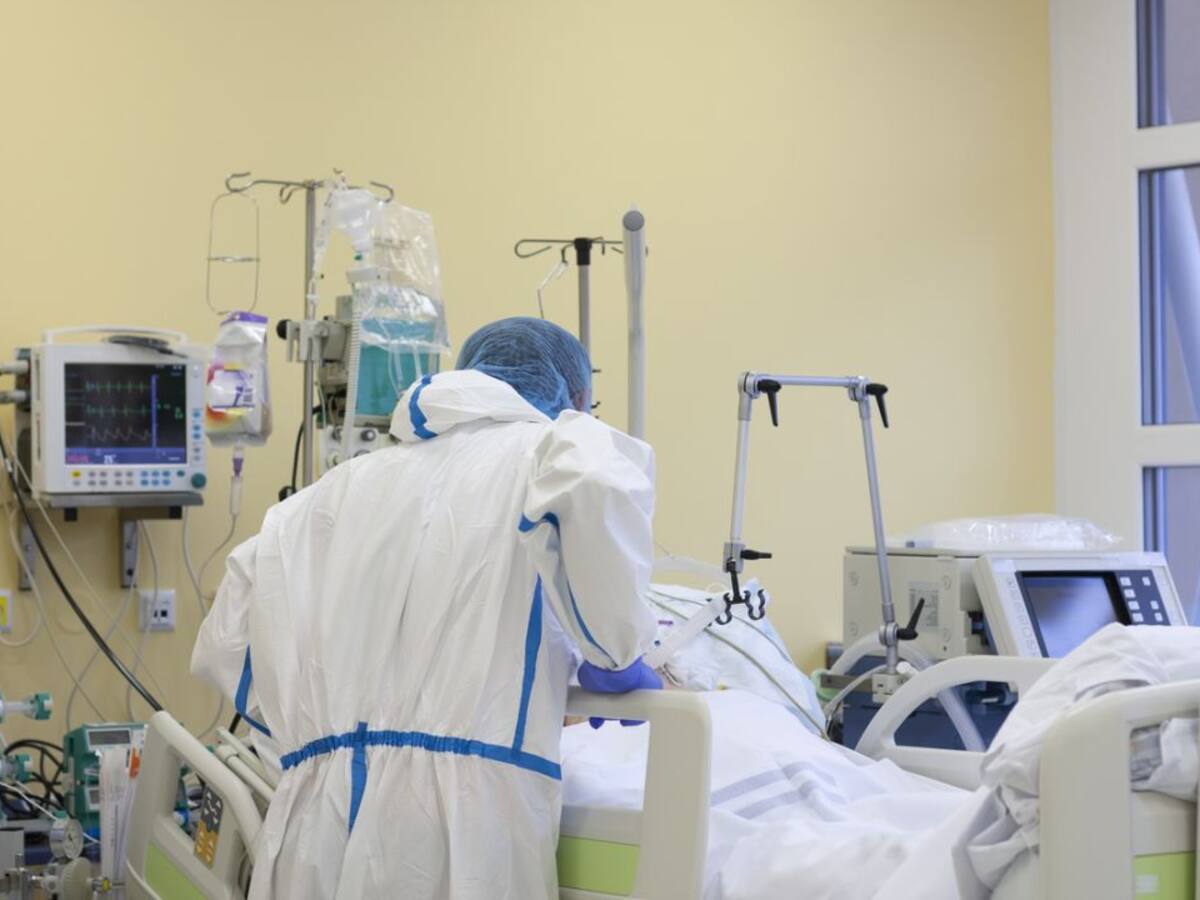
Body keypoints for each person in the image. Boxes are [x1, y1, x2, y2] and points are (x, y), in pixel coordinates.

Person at [191, 317, 661, 900]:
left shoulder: (327, 493)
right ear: (579, 397)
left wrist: (312, 742)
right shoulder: (554, 448)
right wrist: (616, 650)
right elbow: (594, 484)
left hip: (314, 819)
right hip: (462, 824)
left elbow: (227, 640)